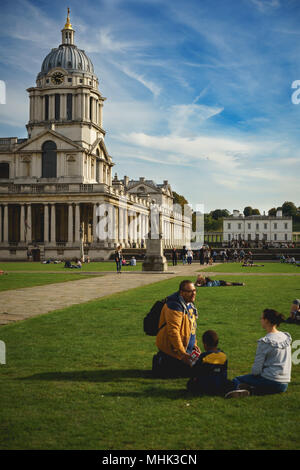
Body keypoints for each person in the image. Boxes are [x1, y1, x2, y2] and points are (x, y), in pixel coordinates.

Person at [226, 309, 292, 397]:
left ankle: (244, 389)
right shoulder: (285, 337)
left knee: (237, 379)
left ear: (267, 321)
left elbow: (256, 371)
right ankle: (252, 390)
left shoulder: (265, 342)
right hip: (284, 384)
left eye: (261, 318)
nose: (260, 320)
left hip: (270, 381)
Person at [152, 280, 200, 378]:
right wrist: (182, 353)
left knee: (199, 369)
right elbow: (173, 332)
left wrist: (194, 345)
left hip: (185, 349)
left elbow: (192, 327)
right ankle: (161, 362)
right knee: (188, 373)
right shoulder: (174, 306)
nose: (193, 293)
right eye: (190, 291)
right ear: (182, 293)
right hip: (173, 350)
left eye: (195, 290)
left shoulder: (190, 304)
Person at [187, 330, 236, 396]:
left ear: (205, 344)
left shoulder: (204, 356)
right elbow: (224, 373)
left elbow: (195, 371)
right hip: (220, 385)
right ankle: (234, 389)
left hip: (205, 385)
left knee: (190, 383)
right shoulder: (223, 355)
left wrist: (191, 364)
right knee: (231, 383)